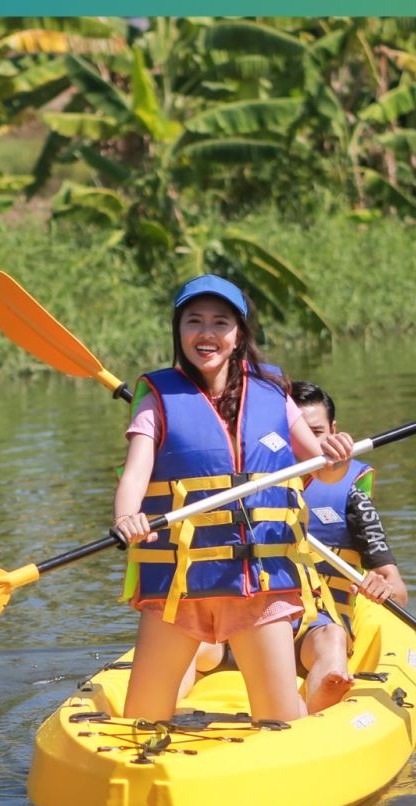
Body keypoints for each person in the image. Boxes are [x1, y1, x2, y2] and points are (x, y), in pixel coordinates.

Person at [113, 275, 353, 722]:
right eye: (194, 321)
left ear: (239, 333)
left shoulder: (273, 393)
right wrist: (127, 516)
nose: (206, 333)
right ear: (178, 330)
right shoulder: (156, 399)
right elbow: (135, 472)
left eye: (220, 322)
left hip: (258, 586)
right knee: (141, 720)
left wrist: (337, 457)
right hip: (179, 589)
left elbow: (322, 465)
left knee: (281, 722)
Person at [195, 380, 410, 715]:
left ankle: (322, 701)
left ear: (334, 431)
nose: (306, 444)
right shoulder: (241, 485)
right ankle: (151, 718)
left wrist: (382, 587)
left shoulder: (351, 497)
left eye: (317, 432)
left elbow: (398, 590)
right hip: (242, 625)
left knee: (332, 639)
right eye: (295, 433)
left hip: (313, 629)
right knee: (191, 638)